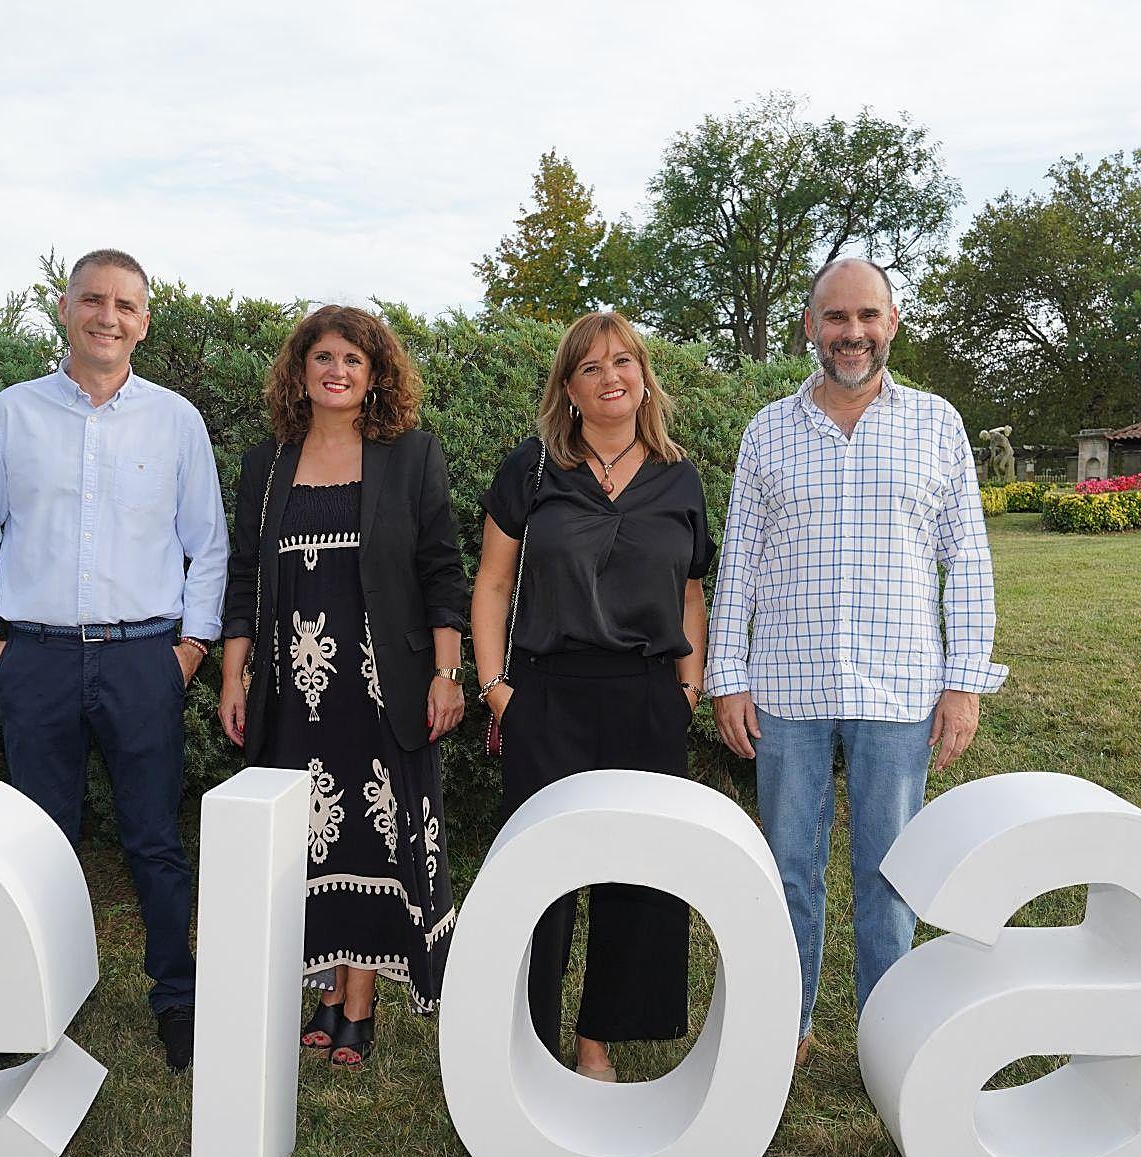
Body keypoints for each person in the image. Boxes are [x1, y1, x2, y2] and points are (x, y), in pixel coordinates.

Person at [706, 258, 1008, 1063]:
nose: (852, 333)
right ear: (810, 326)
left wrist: (964, 685)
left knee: (890, 877)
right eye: (836, 317)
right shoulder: (767, 431)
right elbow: (738, 562)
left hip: (900, 685)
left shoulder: (938, 425)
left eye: (868, 316)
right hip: (788, 686)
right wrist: (727, 677)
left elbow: (968, 561)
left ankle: (887, 1035)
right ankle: (789, 1025)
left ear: (892, 324)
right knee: (788, 873)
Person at [0, 248, 228, 1071]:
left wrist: (190, 650)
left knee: (154, 842)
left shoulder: (175, 420)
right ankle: (25, 1012)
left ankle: (177, 1000)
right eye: (94, 300)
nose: (110, 316)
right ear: (64, 308)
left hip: (144, 658)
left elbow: (206, 547)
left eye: (127, 305)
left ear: (145, 320)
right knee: (36, 843)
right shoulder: (13, 412)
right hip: (31, 659)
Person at [219, 305, 466, 1068]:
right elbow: (244, 574)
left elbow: (442, 571)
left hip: (382, 685)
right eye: (323, 356)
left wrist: (449, 673)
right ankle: (327, 984)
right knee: (307, 837)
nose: (337, 370)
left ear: (374, 375)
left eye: (353, 360)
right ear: (301, 370)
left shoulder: (412, 456)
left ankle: (358, 1000)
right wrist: (235, 671)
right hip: (293, 689)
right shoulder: (268, 463)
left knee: (372, 835)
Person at [472, 310, 713, 1083]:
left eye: (624, 362)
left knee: (637, 877)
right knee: (537, 877)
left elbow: (692, 589)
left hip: (648, 698)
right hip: (547, 695)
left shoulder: (680, 476)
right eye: (591, 368)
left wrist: (689, 686)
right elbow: (493, 583)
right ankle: (527, 1040)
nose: (611, 377)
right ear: (569, 389)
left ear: (644, 376)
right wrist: (495, 688)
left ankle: (599, 1038)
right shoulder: (534, 468)